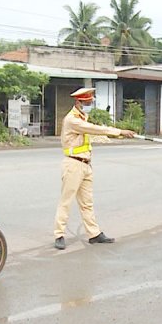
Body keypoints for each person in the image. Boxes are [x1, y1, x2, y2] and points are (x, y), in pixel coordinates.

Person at [53, 87, 136, 250]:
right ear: (79, 102)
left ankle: (94, 233)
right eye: (87, 102)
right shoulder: (72, 120)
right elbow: (95, 129)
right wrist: (120, 131)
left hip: (85, 164)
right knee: (66, 201)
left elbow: (91, 134)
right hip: (73, 164)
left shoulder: (83, 117)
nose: (90, 105)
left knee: (87, 203)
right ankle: (59, 234)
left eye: (90, 102)